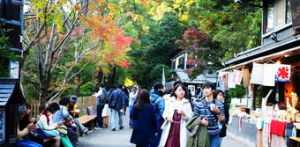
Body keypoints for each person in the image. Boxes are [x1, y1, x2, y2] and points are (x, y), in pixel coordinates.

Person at [150, 83, 165, 147]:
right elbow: (162, 111)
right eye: (163, 88)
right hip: (158, 121)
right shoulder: (160, 99)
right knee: (157, 138)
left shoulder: (149, 96)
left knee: (151, 137)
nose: (164, 89)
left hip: (149, 120)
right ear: (159, 89)